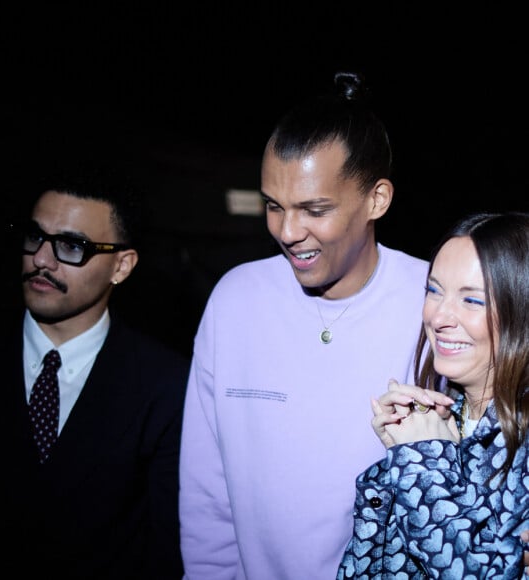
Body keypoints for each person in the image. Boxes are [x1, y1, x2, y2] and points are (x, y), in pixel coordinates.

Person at [178, 70, 430, 579]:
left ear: (377, 200)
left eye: (314, 209)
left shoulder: (435, 304)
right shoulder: (234, 301)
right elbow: (208, 494)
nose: (288, 232)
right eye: (274, 207)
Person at [0, 162, 190, 579]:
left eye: (71, 246)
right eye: (35, 237)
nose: (41, 259)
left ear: (122, 266)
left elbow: (166, 547)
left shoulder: (166, 386)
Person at [337, 211, 529, 579]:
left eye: (472, 301)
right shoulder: (441, 419)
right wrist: (399, 458)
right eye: (434, 290)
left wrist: (422, 459)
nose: (439, 316)